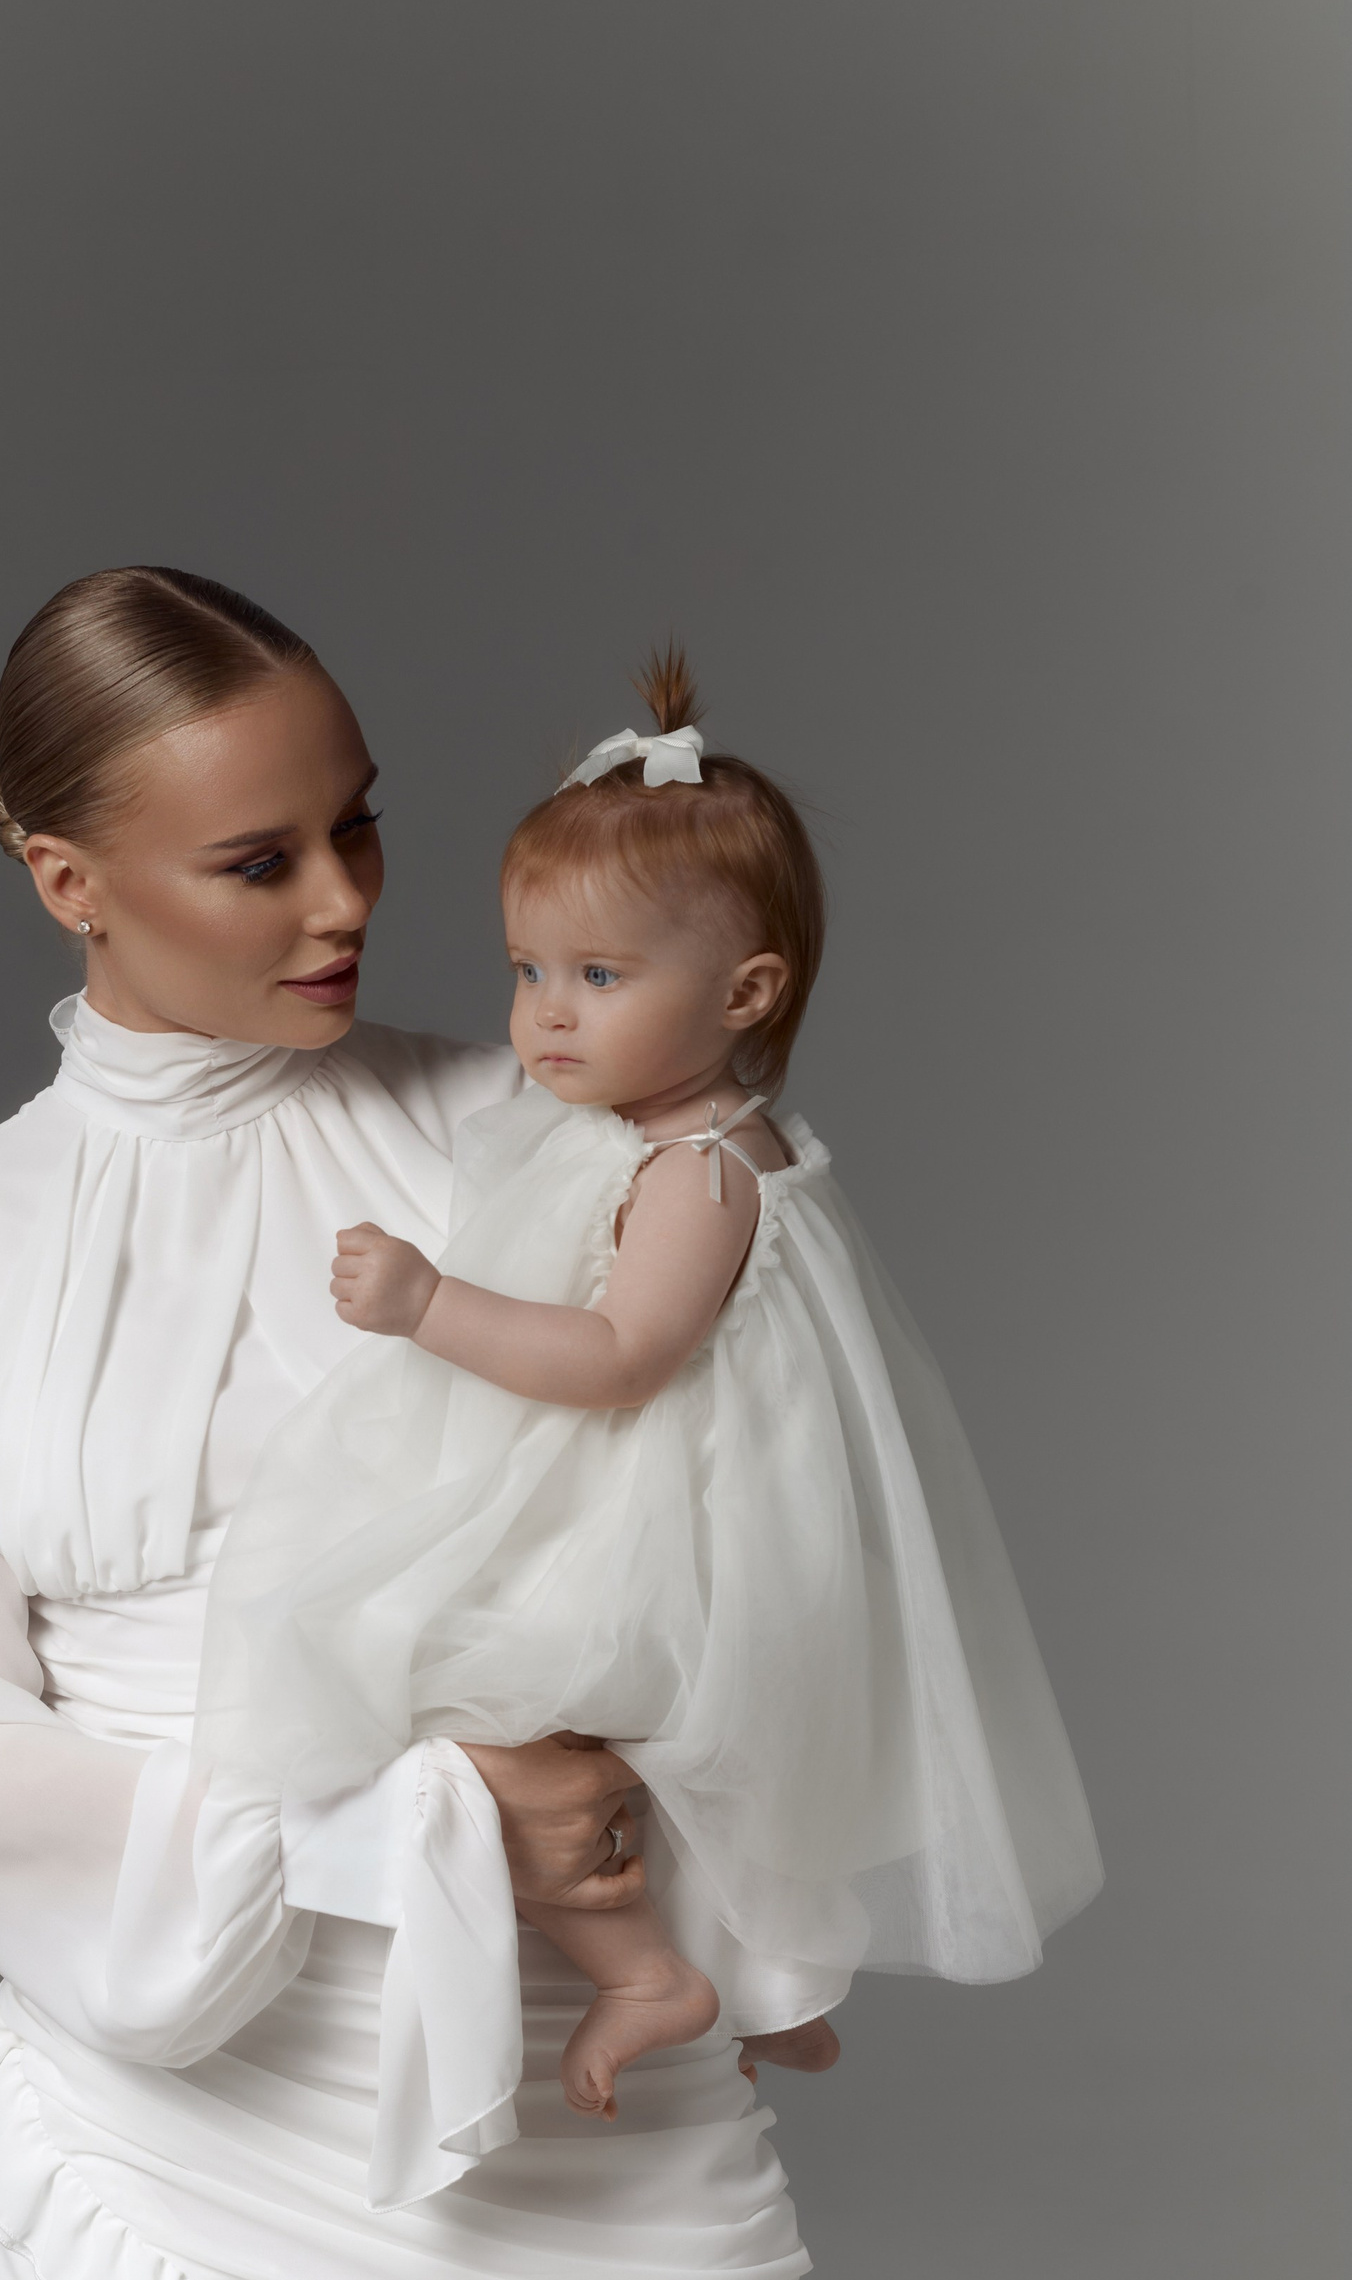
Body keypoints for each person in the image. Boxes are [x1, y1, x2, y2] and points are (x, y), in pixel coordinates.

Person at [0, 569, 849, 2280]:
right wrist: (395, 1816)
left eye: (360, 825)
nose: (345, 900)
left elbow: (750, 1521)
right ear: (65, 880)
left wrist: (693, 1838)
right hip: (191, 2074)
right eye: (259, 859)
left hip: (577, 2057)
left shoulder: (542, 1139)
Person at [192, 649, 1102, 2179]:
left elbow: (621, 1357)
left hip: (675, 1507)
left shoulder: (700, 1171)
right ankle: (777, 1990)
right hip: (679, 1488)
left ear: (745, 994)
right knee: (668, 1758)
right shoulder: (651, 1125)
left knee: (484, 1697)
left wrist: (427, 1304)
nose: (546, 1019)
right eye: (527, 971)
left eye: (599, 980)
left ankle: (648, 1974)